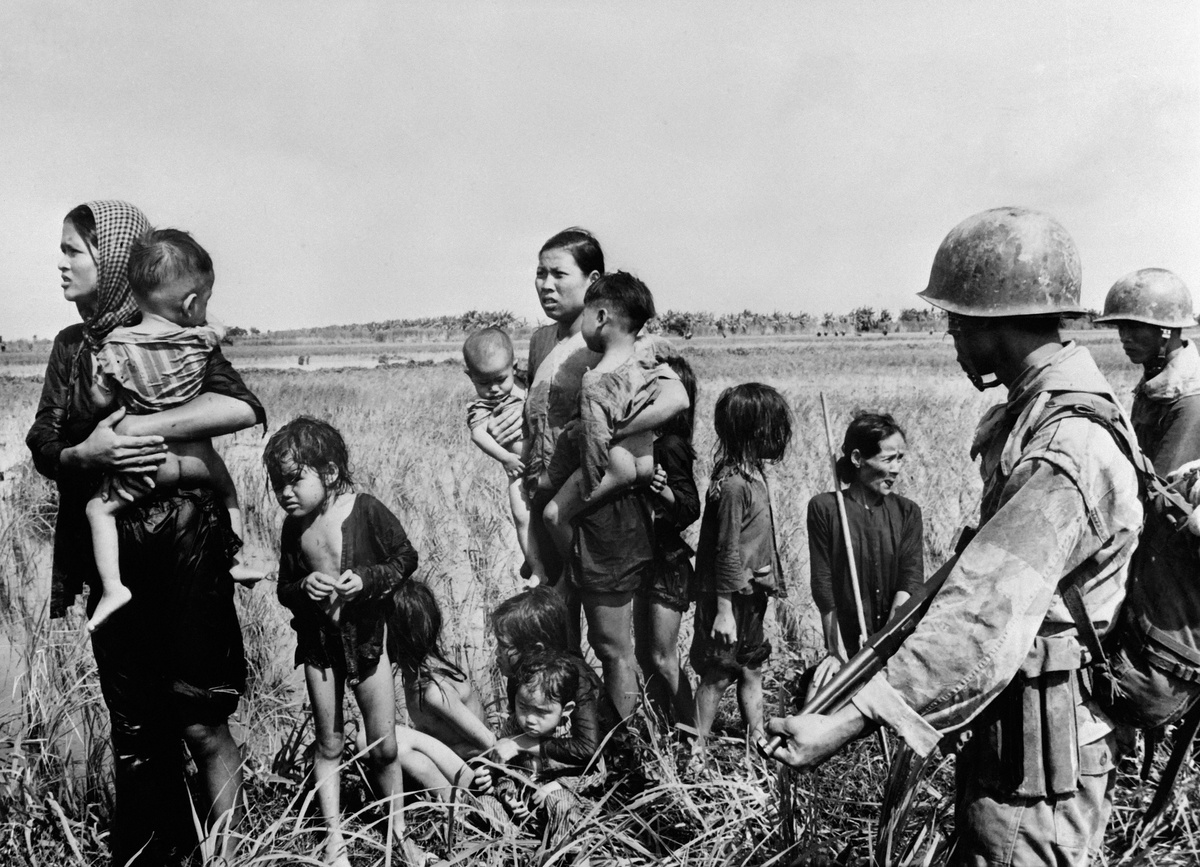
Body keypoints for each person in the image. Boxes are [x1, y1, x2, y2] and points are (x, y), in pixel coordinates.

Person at [765, 207, 1142, 867]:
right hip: (1022, 736)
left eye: (956, 320)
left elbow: (982, 620)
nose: (951, 337)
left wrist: (843, 722)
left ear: (994, 323)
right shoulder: (1046, 412)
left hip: (1043, 760)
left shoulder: (1062, 446)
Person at [27, 200, 265, 866]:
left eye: (75, 249)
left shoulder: (167, 328)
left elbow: (242, 403)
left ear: (116, 260)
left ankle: (231, 854)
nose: (62, 262)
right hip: (114, 554)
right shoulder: (73, 347)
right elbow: (45, 439)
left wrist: (134, 430)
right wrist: (86, 454)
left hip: (187, 544)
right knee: (133, 725)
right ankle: (145, 853)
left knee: (196, 712)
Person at [488, 228, 688, 718]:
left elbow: (672, 398)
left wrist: (608, 431)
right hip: (550, 502)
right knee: (558, 636)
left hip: (599, 506)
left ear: (593, 281)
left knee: (609, 639)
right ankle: (580, 734)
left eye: (559, 274)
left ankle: (627, 743)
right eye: (540, 272)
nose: (545, 284)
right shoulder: (540, 342)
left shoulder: (622, 340)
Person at [84, 228, 260, 633]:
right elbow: (218, 326)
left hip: (150, 461)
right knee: (228, 493)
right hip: (200, 458)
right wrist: (198, 311)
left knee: (99, 508)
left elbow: (98, 402)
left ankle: (113, 588)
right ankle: (238, 560)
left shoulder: (116, 347)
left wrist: (100, 385)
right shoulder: (200, 341)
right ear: (193, 303)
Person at [265, 416, 422, 866]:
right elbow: (284, 589)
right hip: (319, 649)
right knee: (329, 743)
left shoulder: (365, 509)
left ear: (330, 472)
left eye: (294, 481)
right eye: (278, 485)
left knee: (385, 745)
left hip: (368, 645)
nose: (285, 494)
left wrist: (368, 580)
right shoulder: (293, 529)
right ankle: (335, 841)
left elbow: (404, 557)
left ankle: (398, 834)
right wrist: (302, 589)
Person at [1092, 269, 1200, 728]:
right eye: (1120, 327)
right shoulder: (1158, 382)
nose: (1124, 337)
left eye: (1134, 327)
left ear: (1168, 333)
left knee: (1139, 691)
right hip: (1157, 552)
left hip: (1174, 561)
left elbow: (1160, 495)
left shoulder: (1187, 398)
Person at [541, 270, 678, 558]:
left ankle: (572, 573)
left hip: (616, 466)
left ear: (601, 318)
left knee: (552, 514)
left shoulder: (596, 380)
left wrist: (589, 485)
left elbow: (595, 444)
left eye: (586, 317)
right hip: (645, 460)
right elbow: (679, 398)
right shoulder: (646, 359)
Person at [690, 383, 792, 760]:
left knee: (751, 668)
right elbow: (725, 550)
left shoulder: (751, 475)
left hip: (750, 595)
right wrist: (723, 610)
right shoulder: (733, 485)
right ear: (756, 432)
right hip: (730, 600)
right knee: (718, 674)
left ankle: (758, 739)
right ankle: (696, 749)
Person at [806, 412, 924, 696]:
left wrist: (885, 646)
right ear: (858, 459)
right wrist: (836, 651)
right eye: (888, 459)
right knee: (815, 703)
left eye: (900, 459)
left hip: (893, 641)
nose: (896, 469)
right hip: (844, 646)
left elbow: (910, 581)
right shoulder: (826, 508)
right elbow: (823, 585)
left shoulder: (908, 513)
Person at [480, 587, 619, 793]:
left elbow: (587, 749)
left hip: (603, 775)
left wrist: (521, 744)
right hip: (551, 772)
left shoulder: (575, 677)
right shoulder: (521, 677)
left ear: (535, 650)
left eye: (503, 646)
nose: (496, 654)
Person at [379, 579, 495, 801]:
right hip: (455, 767)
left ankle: (459, 809)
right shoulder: (414, 678)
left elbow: (489, 743)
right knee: (383, 740)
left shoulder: (434, 692)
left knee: (393, 746)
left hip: (475, 777)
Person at [634, 355, 700, 727]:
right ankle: (666, 731)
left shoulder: (671, 444)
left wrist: (664, 494)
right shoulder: (650, 441)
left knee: (662, 658)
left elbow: (690, 506)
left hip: (666, 563)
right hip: (648, 561)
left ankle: (694, 735)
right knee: (647, 657)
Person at [489, 651, 600, 851]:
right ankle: (511, 847)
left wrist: (559, 785)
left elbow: (596, 773)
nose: (530, 719)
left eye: (542, 712)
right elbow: (503, 770)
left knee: (561, 803)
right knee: (484, 803)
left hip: (563, 804)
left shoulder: (571, 734)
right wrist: (506, 792)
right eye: (523, 707)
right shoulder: (513, 728)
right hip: (521, 810)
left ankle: (568, 855)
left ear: (565, 710)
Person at [462, 327, 544, 582]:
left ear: (514, 367)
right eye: (483, 383)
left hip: (545, 461)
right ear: (470, 377)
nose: (494, 389)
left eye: (500, 379)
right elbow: (478, 435)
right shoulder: (481, 405)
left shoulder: (527, 382)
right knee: (522, 517)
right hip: (517, 470)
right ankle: (537, 567)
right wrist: (505, 458)